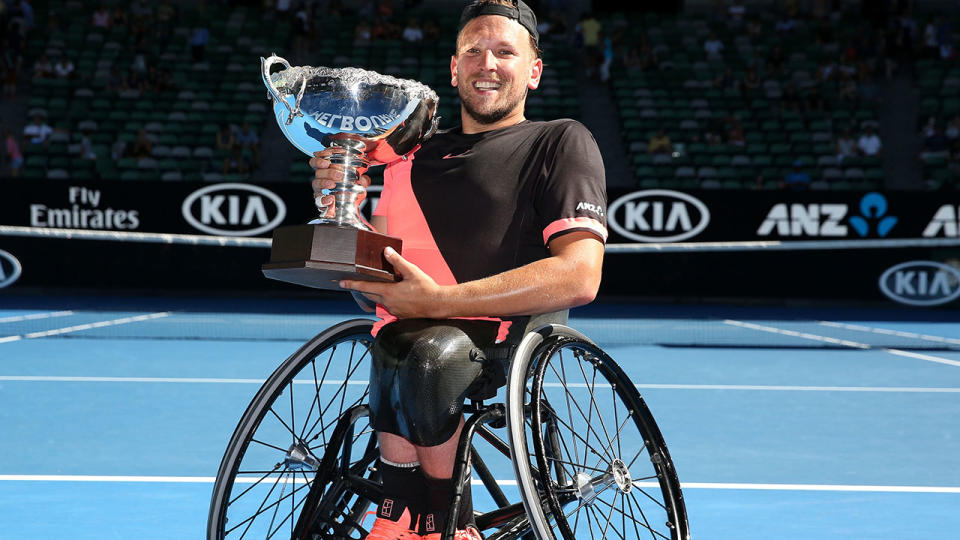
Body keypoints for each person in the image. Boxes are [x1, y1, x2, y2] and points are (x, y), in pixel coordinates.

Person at [308, 1, 607, 539]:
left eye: (504, 52)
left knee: (423, 353)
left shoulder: (560, 140)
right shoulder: (406, 152)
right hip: (398, 328)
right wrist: (339, 202)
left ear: (533, 71)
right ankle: (398, 515)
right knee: (399, 345)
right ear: (453, 68)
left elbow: (580, 275)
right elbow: (377, 265)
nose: (486, 62)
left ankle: (448, 519)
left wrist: (437, 303)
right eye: (473, 50)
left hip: (498, 334)